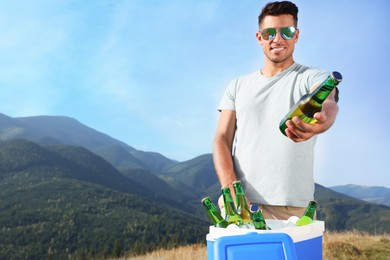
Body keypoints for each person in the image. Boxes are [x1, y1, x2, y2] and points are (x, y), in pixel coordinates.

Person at [213, 1, 339, 220]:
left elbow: (328, 99)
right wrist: (231, 190)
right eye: (269, 32)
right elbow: (222, 138)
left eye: (287, 32)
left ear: (296, 36)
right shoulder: (237, 86)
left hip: (291, 208)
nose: (277, 39)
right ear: (259, 37)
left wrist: (322, 120)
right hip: (241, 203)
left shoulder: (310, 76)